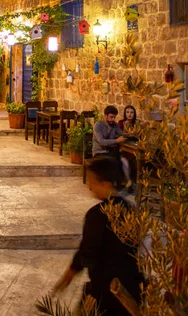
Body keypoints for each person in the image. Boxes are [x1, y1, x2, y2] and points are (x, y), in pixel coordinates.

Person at [55, 157, 144, 315]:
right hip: (133, 289)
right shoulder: (130, 210)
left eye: (92, 181)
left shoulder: (97, 215)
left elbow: (87, 251)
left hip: (106, 292)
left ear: (106, 184)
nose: (89, 187)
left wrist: (70, 274)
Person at [93, 105, 132, 193]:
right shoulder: (98, 125)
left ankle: (123, 183)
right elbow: (102, 142)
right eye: (111, 117)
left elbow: (122, 134)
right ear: (105, 116)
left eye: (114, 117)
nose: (113, 119)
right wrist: (117, 140)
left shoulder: (114, 125)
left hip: (110, 151)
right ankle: (115, 185)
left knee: (121, 158)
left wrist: (130, 133)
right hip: (99, 152)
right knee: (115, 159)